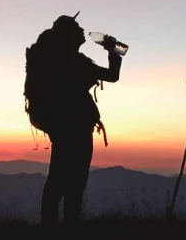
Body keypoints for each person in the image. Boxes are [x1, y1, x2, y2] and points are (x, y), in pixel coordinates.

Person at [25, 13, 122, 228]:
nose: (81, 31)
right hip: (75, 126)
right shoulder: (72, 60)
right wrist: (113, 50)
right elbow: (112, 76)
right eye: (77, 28)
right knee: (73, 181)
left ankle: (52, 228)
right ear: (68, 35)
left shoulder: (56, 58)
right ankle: (68, 229)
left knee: (59, 177)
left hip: (61, 125)